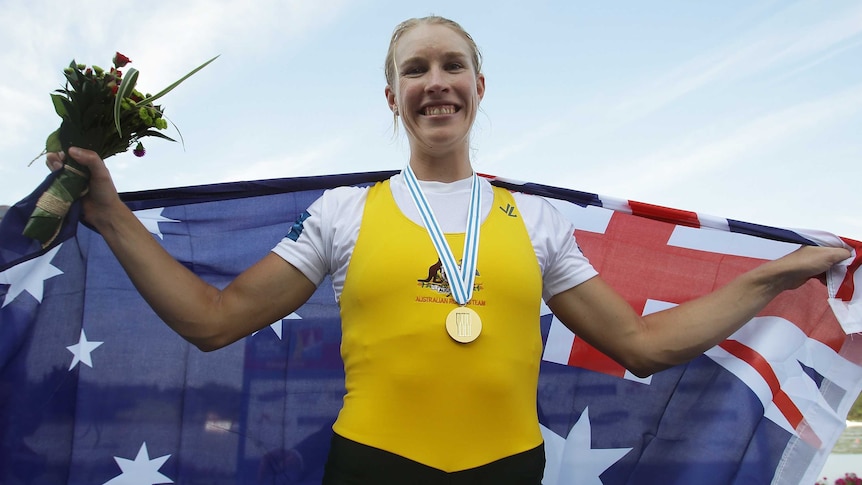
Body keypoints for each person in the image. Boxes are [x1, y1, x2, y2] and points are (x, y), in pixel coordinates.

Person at [47, 15, 849, 485]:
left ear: (480, 85)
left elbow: (643, 344)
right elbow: (214, 319)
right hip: (373, 465)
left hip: (507, 468)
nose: (437, 82)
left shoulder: (535, 221)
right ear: (391, 97)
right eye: (415, 69)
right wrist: (113, 216)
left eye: (452, 64)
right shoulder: (341, 214)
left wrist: (776, 274)